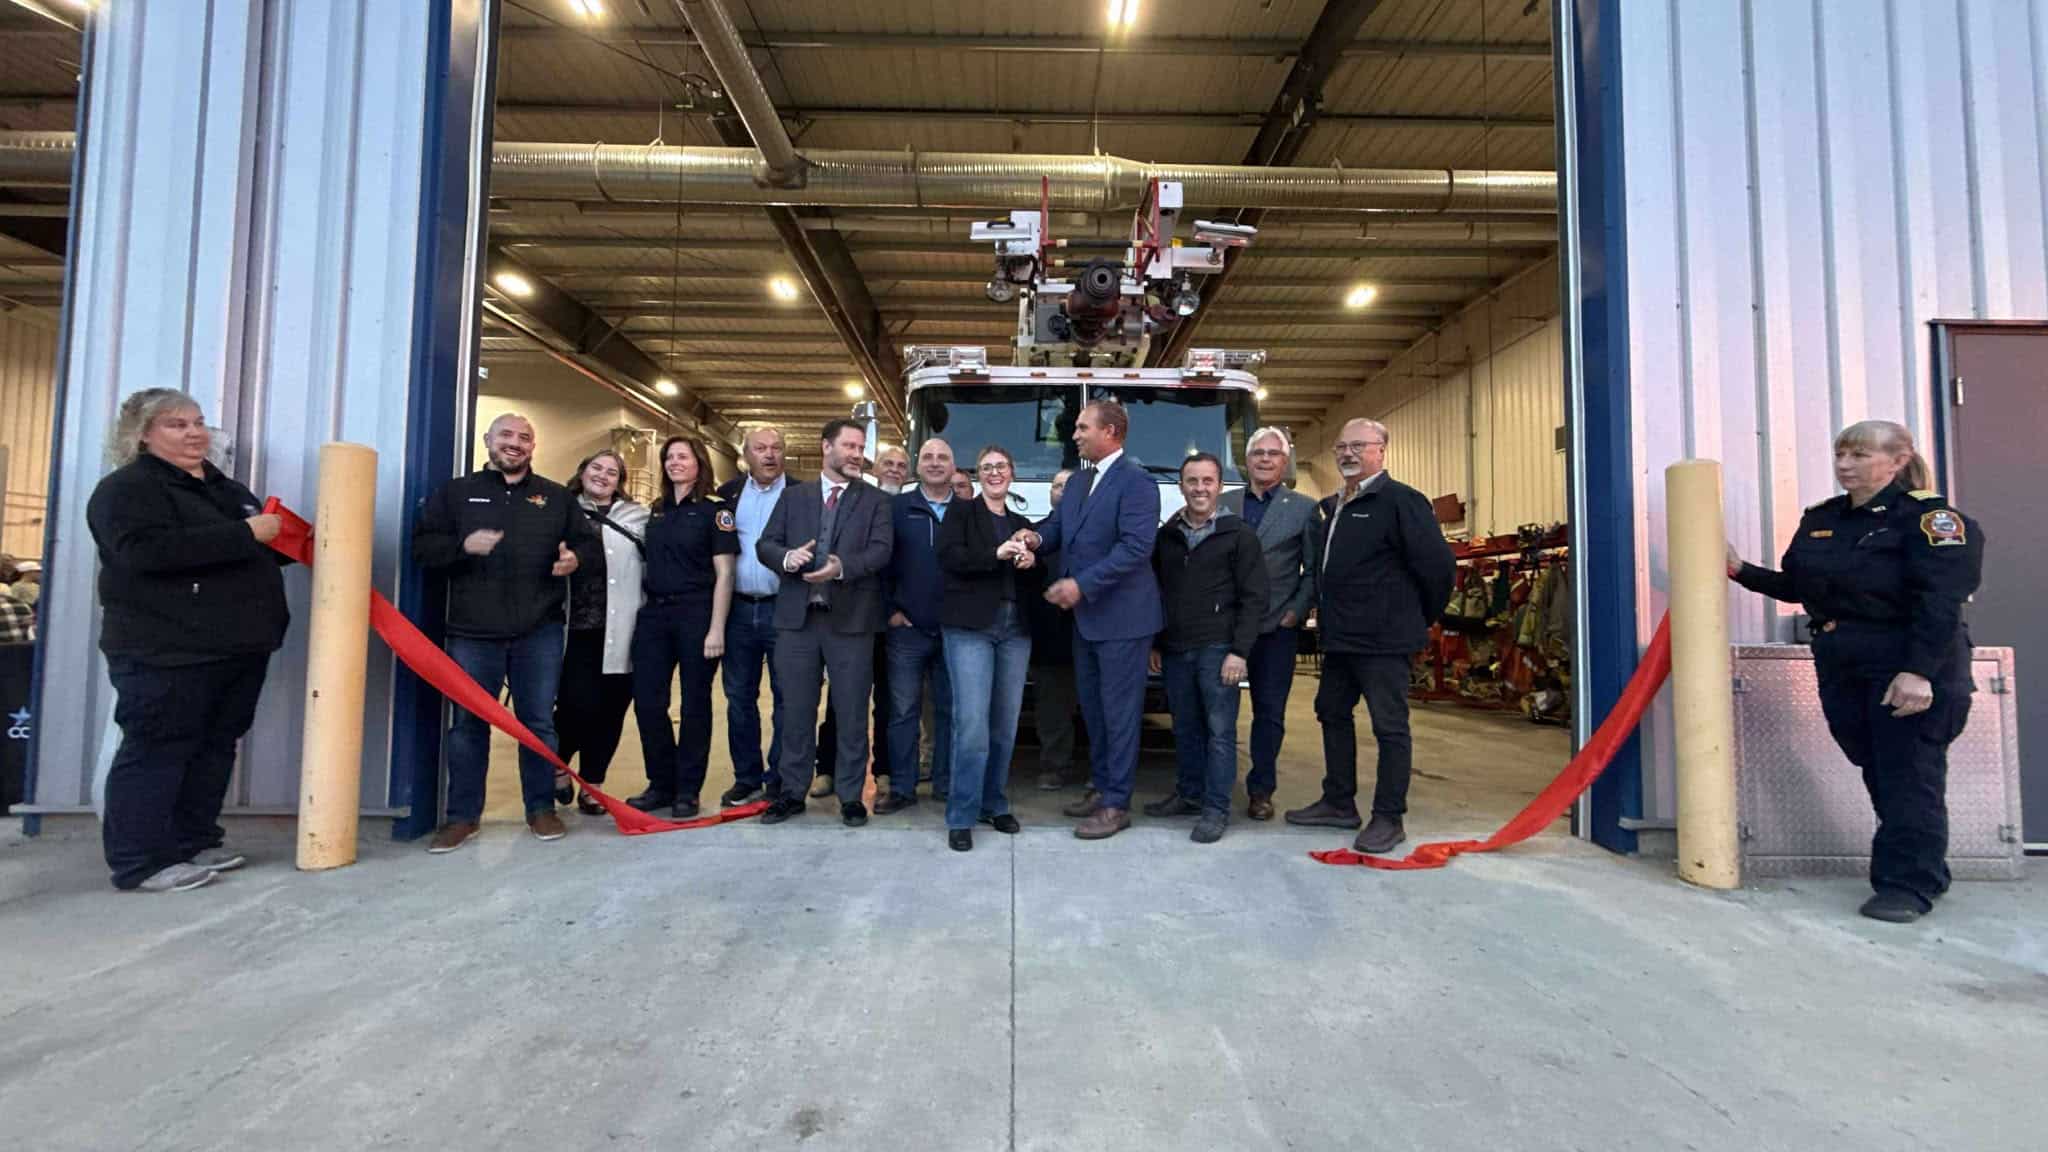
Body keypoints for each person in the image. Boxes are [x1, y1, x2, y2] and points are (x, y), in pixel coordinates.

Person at [1727, 419, 1983, 923]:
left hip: (1907, 661)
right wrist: (1741, 571)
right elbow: (1800, 587)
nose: (1845, 465)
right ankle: (1924, 867)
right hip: (1843, 662)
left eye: (1860, 455)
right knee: (1877, 767)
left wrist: (1918, 672)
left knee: (1908, 773)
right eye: (1841, 454)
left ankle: (1906, 886)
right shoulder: (1824, 519)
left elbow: (1940, 601)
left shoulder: (1930, 520)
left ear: (1898, 460)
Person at [85, 388, 290, 892]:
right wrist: (247, 534)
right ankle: (140, 862)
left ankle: (193, 839)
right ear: (142, 434)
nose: (194, 433)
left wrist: (289, 542)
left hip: (237, 645)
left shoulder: (225, 488)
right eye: (176, 425)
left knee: (214, 746)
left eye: (198, 422)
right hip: (168, 649)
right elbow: (144, 553)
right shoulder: (126, 490)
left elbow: (249, 548)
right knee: (157, 749)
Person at [413, 412, 599, 852]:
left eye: (524, 437)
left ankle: (541, 809)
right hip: (472, 632)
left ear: (533, 446)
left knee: (538, 724)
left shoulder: (555, 497)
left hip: (539, 630)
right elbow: (422, 546)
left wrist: (575, 559)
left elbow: (588, 544)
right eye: (506, 435)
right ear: (488, 440)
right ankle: (462, 817)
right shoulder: (457, 493)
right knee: (468, 726)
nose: (514, 443)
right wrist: (462, 547)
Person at [1285, 418, 1455, 854]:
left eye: (1358, 445)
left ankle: (1389, 817)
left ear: (1381, 449)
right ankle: (1339, 802)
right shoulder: (1335, 506)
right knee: (1330, 711)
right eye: (1341, 446)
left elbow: (1439, 569)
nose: (1348, 453)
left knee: (1389, 726)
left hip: (1384, 641)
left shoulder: (1401, 501)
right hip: (1340, 638)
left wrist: (1415, 619)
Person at [1014, 400, 1162, 840]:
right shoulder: (1080, 481)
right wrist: (1035, 537)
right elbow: (1059, 527)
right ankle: (1101, 787)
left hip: (1123, 622)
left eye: (1082, 427)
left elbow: (1135, 548)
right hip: (1087, 622)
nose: (1074, 434)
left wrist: (1081, 585)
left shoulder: (1138, 483)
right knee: (1095, 713)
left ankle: (1116, 804)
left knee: (1119, 715)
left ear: (1111, 431)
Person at [757, 420, 894, 826]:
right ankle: (791, 791)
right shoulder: (793, 496)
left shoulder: (875, 501)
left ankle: (851, 796)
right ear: (826, 447)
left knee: (852, 711)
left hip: (851, 623)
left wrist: (842, 568)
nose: (856, 454)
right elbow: (765, 544)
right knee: (795, 710)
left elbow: (881, 551)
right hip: (797, 622)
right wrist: (787, 558)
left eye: (860, 448)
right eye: (849, 446)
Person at [1145, 453, 1268, 843]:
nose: (1200, 488)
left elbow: (1255, 598)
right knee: (1185, 728)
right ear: (1181, 486)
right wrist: (1157, 642)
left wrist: (1240, 652)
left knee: (1219, 733)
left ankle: (1216, 809)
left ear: (1220, 486)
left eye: (1207, 481)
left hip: (1219, 649)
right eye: (1192, 481)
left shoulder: (1239, 535)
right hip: (1176, 649)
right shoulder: (1167, 535)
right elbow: (1157, 591)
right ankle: (1189, 794)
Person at [625, 436, 737, 819]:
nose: (674, 462)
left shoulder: (715, 511)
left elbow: (725, 574)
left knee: (694, 704)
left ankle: (688, 789)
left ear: (699, 462)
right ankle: (661, 783)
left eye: (682, 456)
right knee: (648, 701)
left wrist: (716, 628)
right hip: (655, 615)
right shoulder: (656, 511)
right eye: (669, 457)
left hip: (697, 613)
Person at [935, 445, 1035, 851]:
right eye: (987, 467)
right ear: (978, 475)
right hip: (970, 628)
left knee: (1005, 725)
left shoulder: (1020, 523)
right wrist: (996, 553)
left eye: (1001, 466)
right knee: (972, 724)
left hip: (1015, 628)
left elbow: (1037, 573)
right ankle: (961, 814)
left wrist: (1030, 562)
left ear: (1012, 473)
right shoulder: (960, 513)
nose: (995, 473)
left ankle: (993, 803)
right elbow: (948, 557)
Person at [1220, 427, 1322, 820]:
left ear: (1285, 461)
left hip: (1275, 628)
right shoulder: (1223, 502)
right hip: (1225, 626)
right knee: (1218, 713)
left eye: (1273, 454)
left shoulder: (1304, 509)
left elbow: (1313, 569)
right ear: (1245, 460)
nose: (1265, 459)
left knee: (1269, 713)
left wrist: (1295, 611)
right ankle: (1213, 786)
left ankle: (1261, 790)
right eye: (1258, 453)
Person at [554, 450, 648, 816]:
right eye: (597, 468)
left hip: (623, 628)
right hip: (576, 628)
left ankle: (593, 784)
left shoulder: (637, 517)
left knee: (611, 710)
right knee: (574, 706)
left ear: (620, 482)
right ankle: (558, 765)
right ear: (582, 472)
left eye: (612, 472)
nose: (603, 476)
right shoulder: (560, 511)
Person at [875, 437, 957, 815]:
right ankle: (902, 788)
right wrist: (890, 610)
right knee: (903, 713)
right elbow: (880, 563)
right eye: (928, 457)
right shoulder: (896, 508)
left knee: (949, 711)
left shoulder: (968, 511)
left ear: (953, 466)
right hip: (906, 630)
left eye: (943, 457)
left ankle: (945, 784)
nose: (935, 463)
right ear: (917, 466)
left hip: (955, 632)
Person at [716, 427, 789, 807]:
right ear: (746, 455)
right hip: (739, 610)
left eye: (776, 448)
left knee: (787, 697)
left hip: (784, 610)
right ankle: (746, 777)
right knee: (739, 698)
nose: (769, 454)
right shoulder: (726, 495)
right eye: (761, 448)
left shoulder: (801, 494)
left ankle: (779, 777)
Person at [1027, 469, 1080, 791]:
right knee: (1051, 710)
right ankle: (1055, 767)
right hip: (1049, 636)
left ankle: (1100, 774)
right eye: (1057, 486)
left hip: (1089, 633)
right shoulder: (1034, 536)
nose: (1062, 491)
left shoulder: (1094, 533)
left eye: (1069, 486)